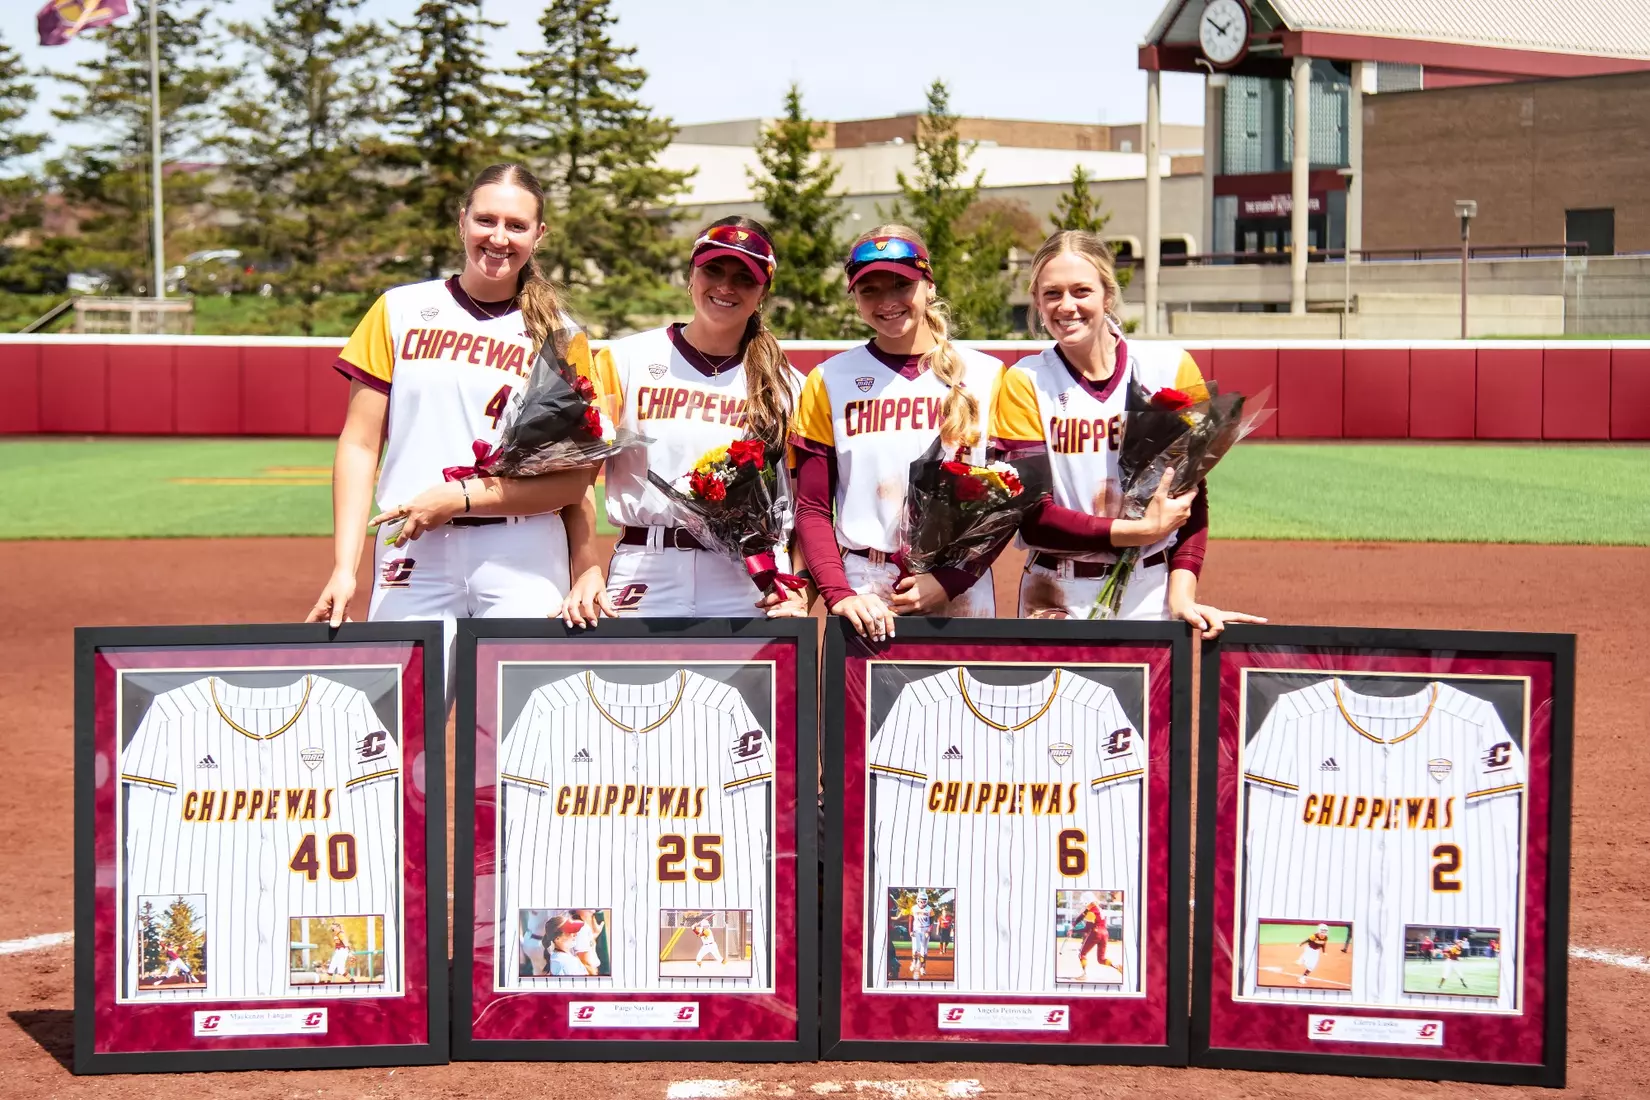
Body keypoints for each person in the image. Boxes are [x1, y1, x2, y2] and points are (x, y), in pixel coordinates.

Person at [307, 163, 601, 667]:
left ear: (539, 234)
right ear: (462, 220)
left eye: (517, 225)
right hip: (412, 549)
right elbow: (358, 445)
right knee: (402, 725)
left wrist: (585, 566)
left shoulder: (561, 335)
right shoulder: (398, 310)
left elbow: (573, 481)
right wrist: (343, 568)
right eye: (486, 220)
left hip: (523, 548)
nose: (499, 237)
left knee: (520, 727)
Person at [989, 230, 1263, 635]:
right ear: (1037, 302)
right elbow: (1032, 517)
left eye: (1082, 291)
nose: (1067, 306)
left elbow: (1189, 494)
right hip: (1056, 591)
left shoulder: (1168, 366)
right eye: (1052, 294)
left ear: (1107, 295)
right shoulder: (1025, 380)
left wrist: (1182, 592)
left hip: (1149, 589)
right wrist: (1139, 532)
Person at [560, 217, 811, 625]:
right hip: (648, 566)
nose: (726, 287)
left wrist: (797, 588)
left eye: (744, 278)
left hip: (751, 578)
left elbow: (804, 505)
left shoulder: (789, 386)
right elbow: (577, 479)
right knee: (638, 690)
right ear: (690, 275)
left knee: (749, 690)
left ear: (763, 291)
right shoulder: (625, 361)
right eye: (713, 270)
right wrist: (587, 567)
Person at [792, 225, 1005, 640]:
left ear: (929, 286)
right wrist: (839, 594)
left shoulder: (987, 375)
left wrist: (951, 580)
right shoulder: (829, 379)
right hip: (864, 590)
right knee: (860, 706)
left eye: (901, 284)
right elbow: (813, 508)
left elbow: (1006, 504)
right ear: (854, 298)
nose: (887, 301)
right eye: (869, 289)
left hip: (960, 584)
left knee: (962, 703)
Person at [570, 908, 605, 976]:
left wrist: (595, 934)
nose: (592, 911)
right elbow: (585, 963)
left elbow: (584, 944)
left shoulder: (576, 924)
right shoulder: (582, 928)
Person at [908, 894, 933, 980]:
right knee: (915, 949)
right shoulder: (913, 908)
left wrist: (929, 931)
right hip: (916, 930)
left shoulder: (930, 909)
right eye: (921, 900)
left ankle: (922, 967)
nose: (922, 902)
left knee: (924, 951)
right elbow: (910, 920)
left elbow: (932, 923)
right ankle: (914, 961)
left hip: (925, 930)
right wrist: (910, 931)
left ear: (927, 900)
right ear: (917, 900)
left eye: (924, 900)